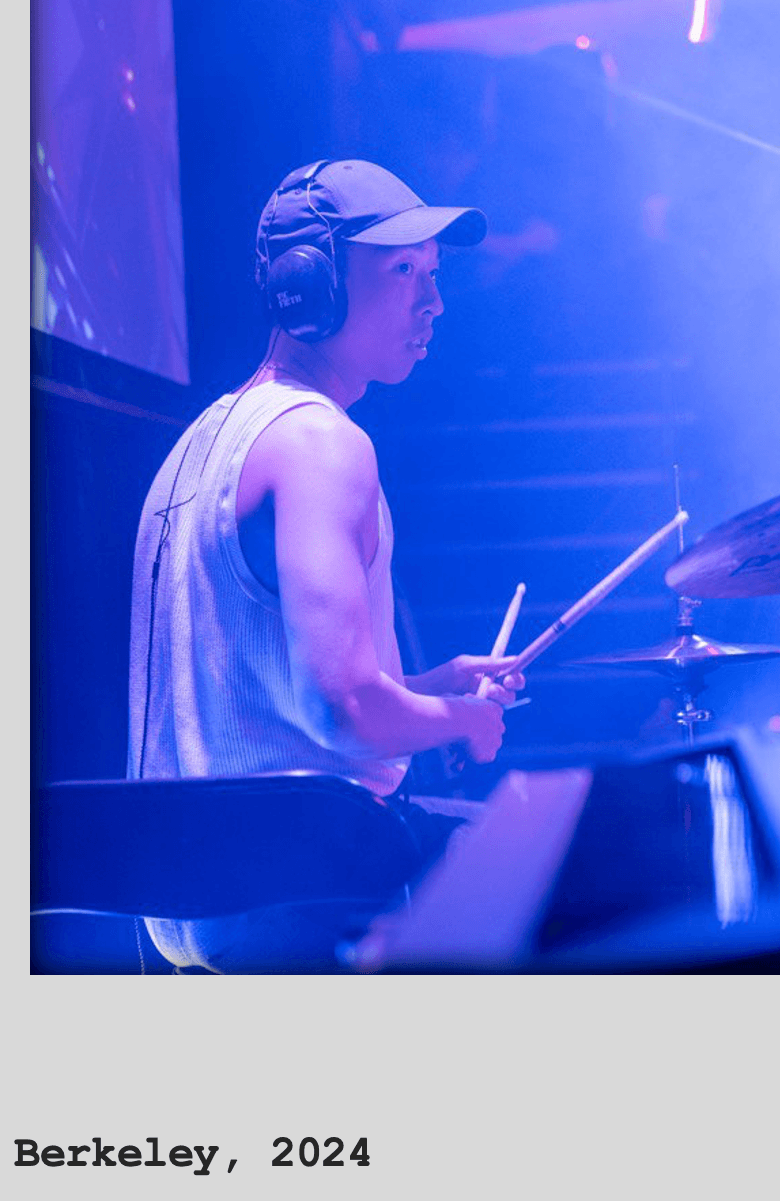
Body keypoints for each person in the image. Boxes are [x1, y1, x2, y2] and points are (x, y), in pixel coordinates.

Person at [127, 158, 523, 972]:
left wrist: (431, 687)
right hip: (296, 901)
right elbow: (341, 711)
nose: (433, 302)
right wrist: (466, 720)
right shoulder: (319, 443)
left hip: (195, 905)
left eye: (434, 272)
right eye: (403, 271)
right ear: (310, 288)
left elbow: (266, 704)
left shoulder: (199, 445)